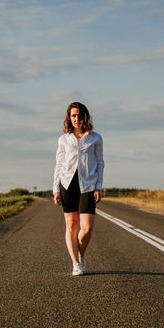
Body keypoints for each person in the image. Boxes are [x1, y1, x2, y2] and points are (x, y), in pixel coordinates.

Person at [53, 102, 104, 276]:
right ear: (69, 117)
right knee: (71, 225)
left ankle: (80, 253)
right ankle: (75, 263)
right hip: (67, 184)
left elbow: (100, 163)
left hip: (88, 185)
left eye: (80, 115)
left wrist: (98, 186)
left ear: (85, 117)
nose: (77, 119)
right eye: (73, 116)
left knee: (87, 228)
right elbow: (59, 165)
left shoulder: (96, 138)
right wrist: (55, 189)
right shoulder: (63, 139)